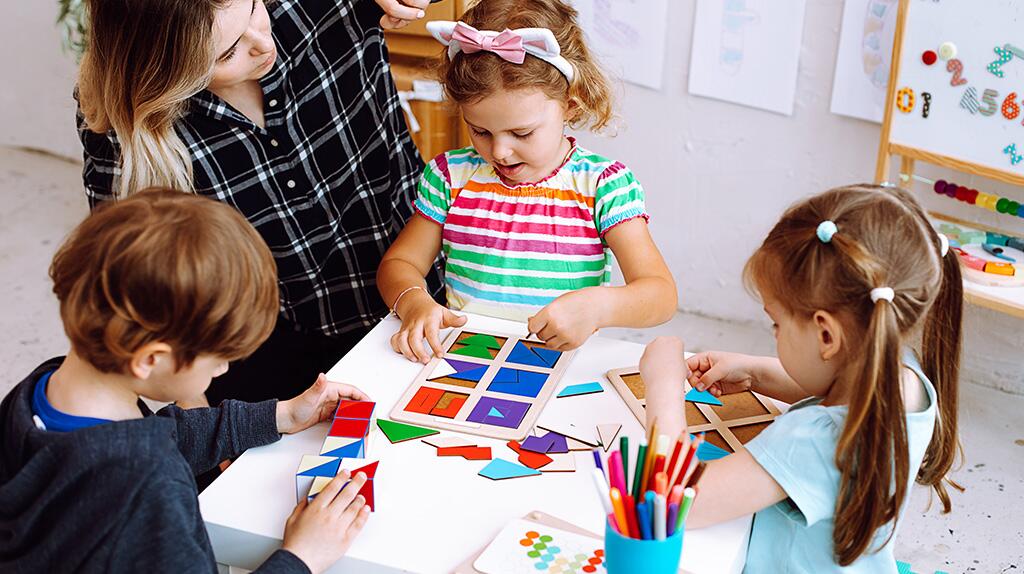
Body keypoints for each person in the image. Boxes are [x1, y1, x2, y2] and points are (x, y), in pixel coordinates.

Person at [75, 0, 443, 404]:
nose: (263, 43)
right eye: (227, 53)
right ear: (166, 70)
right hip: (261, 359)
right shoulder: (118, 119)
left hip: (415, 297)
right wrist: (205, 425)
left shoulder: (313, 6)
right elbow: (144, 285)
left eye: (252, 8)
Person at [0, 189, 371, 573]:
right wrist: (302, 556)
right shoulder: (150, 490)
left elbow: (158, 437)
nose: (223, 370)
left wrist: (281, 415)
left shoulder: (38, 394)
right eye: (219, 358)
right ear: (151, 359)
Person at [641, 184, 963, 572]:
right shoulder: (904, 377)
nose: (774, 333)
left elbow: (675, 503)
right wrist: (756, 372)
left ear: (826, 336)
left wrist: (661, 384)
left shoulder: (812, 440)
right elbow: (845, 393)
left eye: (776, 324)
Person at [377, 0, 677, 362]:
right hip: (467, 357)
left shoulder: (603, 186)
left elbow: (661, 295)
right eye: (480, 131)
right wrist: (413, 300)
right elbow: (400, 263)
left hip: (561, 363)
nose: (500, 151)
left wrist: (600, 306)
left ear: (570, 105)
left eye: (522, 133)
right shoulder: (449, 177)